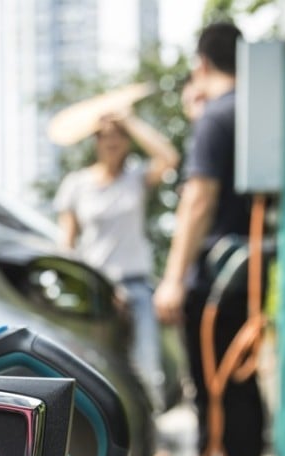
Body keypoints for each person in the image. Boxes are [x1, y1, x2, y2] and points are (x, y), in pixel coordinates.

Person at [154, 22, 265, 456]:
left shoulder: (216, 117)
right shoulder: (249, 112)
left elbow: (198, 199)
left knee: (218, 392)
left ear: (200, 63)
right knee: (239, 387)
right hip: (248, 273)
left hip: (216, 280)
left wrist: (173, 278)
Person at [54, 109, 180, 408]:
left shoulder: (135, 177)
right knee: (97, 369)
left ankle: (153, 445)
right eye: (105, 135)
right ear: (96, 140)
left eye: (118, 134)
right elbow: (66, 248)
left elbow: (169, 158)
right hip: (97, 290)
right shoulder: (77, 184)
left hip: (136, 288)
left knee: (146, 368)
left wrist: (130, 120)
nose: (112, 140)